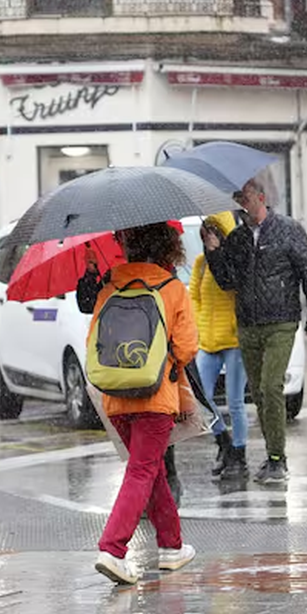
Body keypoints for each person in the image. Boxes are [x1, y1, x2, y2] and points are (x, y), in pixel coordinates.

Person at [91, 223, 199, 585]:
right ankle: (112, 549)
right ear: (169, 249)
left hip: (116, 396)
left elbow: (95, 339)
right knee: (142, 470)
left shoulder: (110, 287)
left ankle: (171, 546)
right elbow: (186, 348)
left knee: (151, 471)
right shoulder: (172, 288)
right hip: (155, 396)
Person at [202, 178, 307, 483]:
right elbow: (227, 281)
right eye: (237, 199)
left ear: (260, 197)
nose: (242, 203)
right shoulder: (238, 238)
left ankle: (277, 459)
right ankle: (272, 456)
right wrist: (214, 252)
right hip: (248, 324)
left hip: (281, 321)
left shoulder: (288, 229)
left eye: (245, 197)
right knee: (258, 392)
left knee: (271, 387)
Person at [78, 243, 184, 505]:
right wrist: (91, 275)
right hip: (130, 365)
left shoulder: (161, 277)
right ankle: (158, 496)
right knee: (147, 448)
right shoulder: (114, 277)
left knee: (152, 443)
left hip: (146, 365)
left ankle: (161, 488)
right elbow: (87, 303)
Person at [190, 211, 249, 479]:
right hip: (208, 341)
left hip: (233, 341)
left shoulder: (234, 260)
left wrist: (217, 253)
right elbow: (194, 297)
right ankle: (223, 442)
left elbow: (233, 287)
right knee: (201, 399)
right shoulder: (201, 263)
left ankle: (239, 454)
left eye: (214, 232)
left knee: (235, 402)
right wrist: (198, 326)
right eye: (205, 233)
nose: (209, 238)